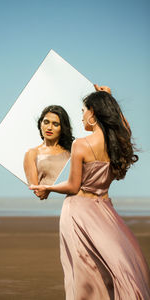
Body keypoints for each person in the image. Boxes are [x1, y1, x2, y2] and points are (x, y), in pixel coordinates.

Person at [30, 86, 150, 299]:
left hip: (78, 213)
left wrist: (48, 187)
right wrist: (110, 99)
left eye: (84, 111)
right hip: (105, 211)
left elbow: (73, 186)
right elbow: (124, 127)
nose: (82, 116)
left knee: (83, 271)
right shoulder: (118, 141)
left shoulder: (81, 144)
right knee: (114, 264)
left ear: (93, 113)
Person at [23, 105, 74, 185]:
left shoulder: (72, 151)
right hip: (48, 197)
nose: (49, 127)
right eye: (46, 122)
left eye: (55, 124)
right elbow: (35, 189)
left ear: (63, 127)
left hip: (71, 196)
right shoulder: (32, 153)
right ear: (40, 124)